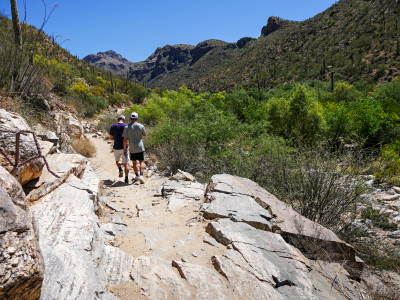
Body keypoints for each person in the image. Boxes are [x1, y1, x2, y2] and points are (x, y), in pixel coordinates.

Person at [123, 112, 146, 184]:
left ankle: (137, 175)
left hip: (132, 147)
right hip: (140, 146)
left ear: (130, 118)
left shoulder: (127, 127)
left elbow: (125, 139)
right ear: (137, 118)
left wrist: (124, 148)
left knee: (134, 162)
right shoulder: (141, 126)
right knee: (141, 161)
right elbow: (144, 134)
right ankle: (141, 175)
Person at [109, 115, 129, 183]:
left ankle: (120, 169)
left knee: (117, 161)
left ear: (118, 119)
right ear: (124, 120)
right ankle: (126, 178)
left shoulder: (113, 126)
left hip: (116, 147)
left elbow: (111, 138)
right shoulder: (126, 126)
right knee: (126, 163)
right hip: (124, 148)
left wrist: (116, 138)